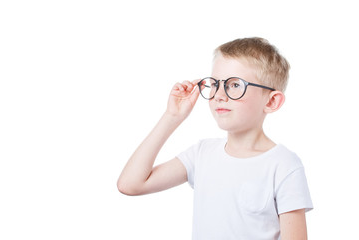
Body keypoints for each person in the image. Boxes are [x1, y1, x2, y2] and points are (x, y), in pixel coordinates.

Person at [117, 37, 313, 240]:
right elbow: (131, 184)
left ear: (272, 101)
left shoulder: (284, 165)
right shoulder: (201, 154)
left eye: (235, 85)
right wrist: (172, 117)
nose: (219, 94)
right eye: (215, 84)